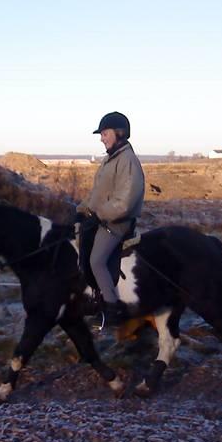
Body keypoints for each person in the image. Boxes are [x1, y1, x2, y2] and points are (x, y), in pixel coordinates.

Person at [77, 111, 145, 325]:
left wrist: (101, 215)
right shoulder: (110, 159)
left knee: (96, 261)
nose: (101, 138)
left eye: (105, 133)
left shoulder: (128, 160)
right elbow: (97, 193)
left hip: (118, 222)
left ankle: (112, 307)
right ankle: (93, 297)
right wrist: (81, 209)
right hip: (102, 218)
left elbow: (125, 201)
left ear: (120, 133)